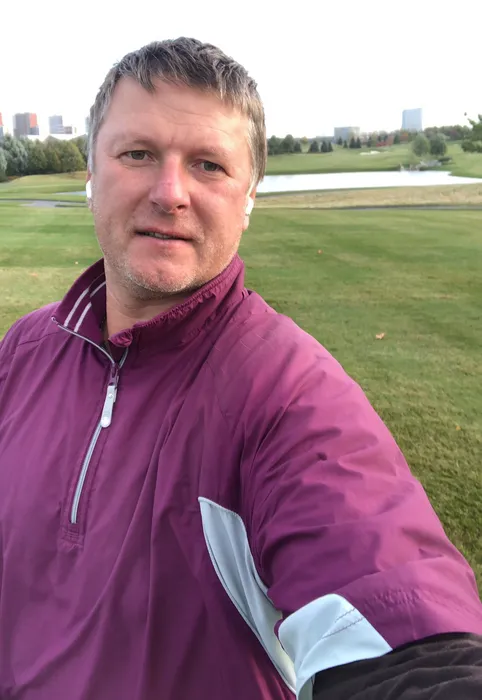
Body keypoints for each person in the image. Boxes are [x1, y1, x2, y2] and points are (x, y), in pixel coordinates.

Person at [0, 37, 481, 700]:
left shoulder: (289, 394)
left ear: (248, 197)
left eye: (208, 165)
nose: (170, 193)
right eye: (138, 154)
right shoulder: (25, 351)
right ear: (91, 173)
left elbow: (398, 625)